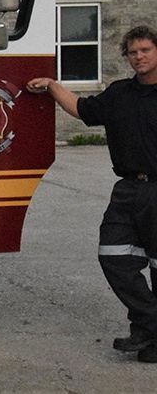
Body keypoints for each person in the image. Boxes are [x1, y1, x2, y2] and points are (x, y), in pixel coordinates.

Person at [27, 24, 157, 364]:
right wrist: (53, 86)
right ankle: (150, 323)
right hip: (129, 188)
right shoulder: (119, 94)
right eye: (133, 52)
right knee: (112, 255)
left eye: (145, 50)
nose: (139, 56)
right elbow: (82, 109)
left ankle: (149, 336)